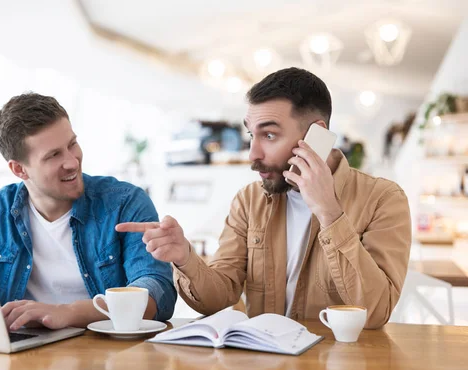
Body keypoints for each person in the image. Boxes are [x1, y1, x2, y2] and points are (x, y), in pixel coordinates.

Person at [117, 67, 411, 329]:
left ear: (315, 136)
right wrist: (185, 258)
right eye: (251, 135)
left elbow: (375, 312)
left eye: (269, 136)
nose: (253, 155)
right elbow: (217, 297)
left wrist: (330, 214)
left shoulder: (383, 199)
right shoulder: (248, 201)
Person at [0, 92, 176, 331]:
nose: (72, 162)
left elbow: (157, 294)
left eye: (72, 144)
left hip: (107, 353)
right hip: (23, 350)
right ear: (19, 169)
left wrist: (67, 313)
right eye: (54, 155)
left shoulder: (125, 203)